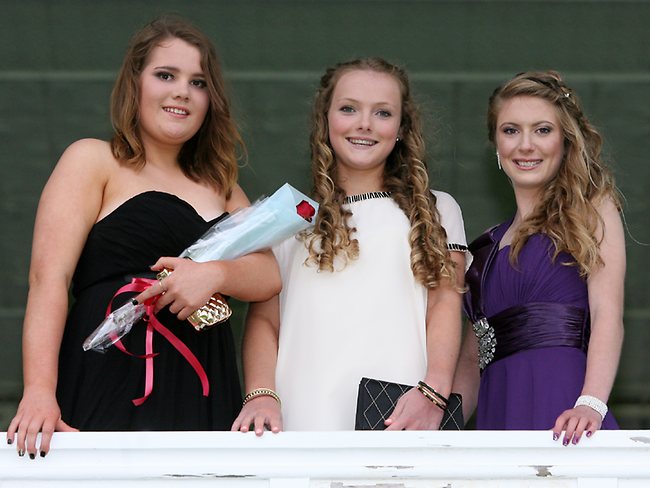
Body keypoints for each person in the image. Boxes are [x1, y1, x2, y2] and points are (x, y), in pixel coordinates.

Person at [6, 15, 280, 458]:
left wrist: (213, 274)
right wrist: (39, 389)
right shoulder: (93, 160)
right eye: (165, 75)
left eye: (198, 82)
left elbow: (268, 276)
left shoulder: (223, 186)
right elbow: (48, 280)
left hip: (203, 383)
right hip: (108, 372)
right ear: (135, 83)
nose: (181, 92)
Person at [231, 57, 467, 434]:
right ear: (325, 119)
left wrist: (433, 391)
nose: (364, 124)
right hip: (302, 416)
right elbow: (264, 321)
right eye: (348, 108)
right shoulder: (288, 219)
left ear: (402, 127)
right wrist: (261, 394)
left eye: (383, 112)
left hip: (400, 416)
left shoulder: (438, 209)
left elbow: (444, 302)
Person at [452, 70, 625, 444]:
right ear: (495, 144)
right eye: (511, 130)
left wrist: (591, 404)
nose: (525, 145)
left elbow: (609, 314)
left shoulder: (591, 210)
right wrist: (438, 430)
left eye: (542, 130)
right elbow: (471, 359)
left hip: (566, 415)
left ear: (565, 140)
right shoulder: (484, 248)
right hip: (498, 415)